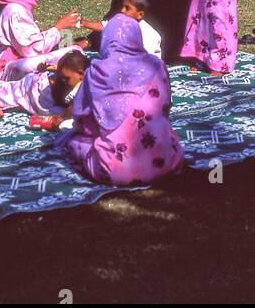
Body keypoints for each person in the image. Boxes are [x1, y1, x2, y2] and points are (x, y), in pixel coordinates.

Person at [64, 15, 183, 185]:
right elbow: (165, 107)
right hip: (167, 162)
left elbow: (83, 119)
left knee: (72, 140)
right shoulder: (157, 65)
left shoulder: (97, 72)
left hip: (116, 172)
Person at [0, 49, 89, 127]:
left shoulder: (77, 82)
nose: (61, 81)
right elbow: (55, 113)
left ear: (81, 74)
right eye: (61, 76)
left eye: (66, 78)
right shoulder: (41, 92)